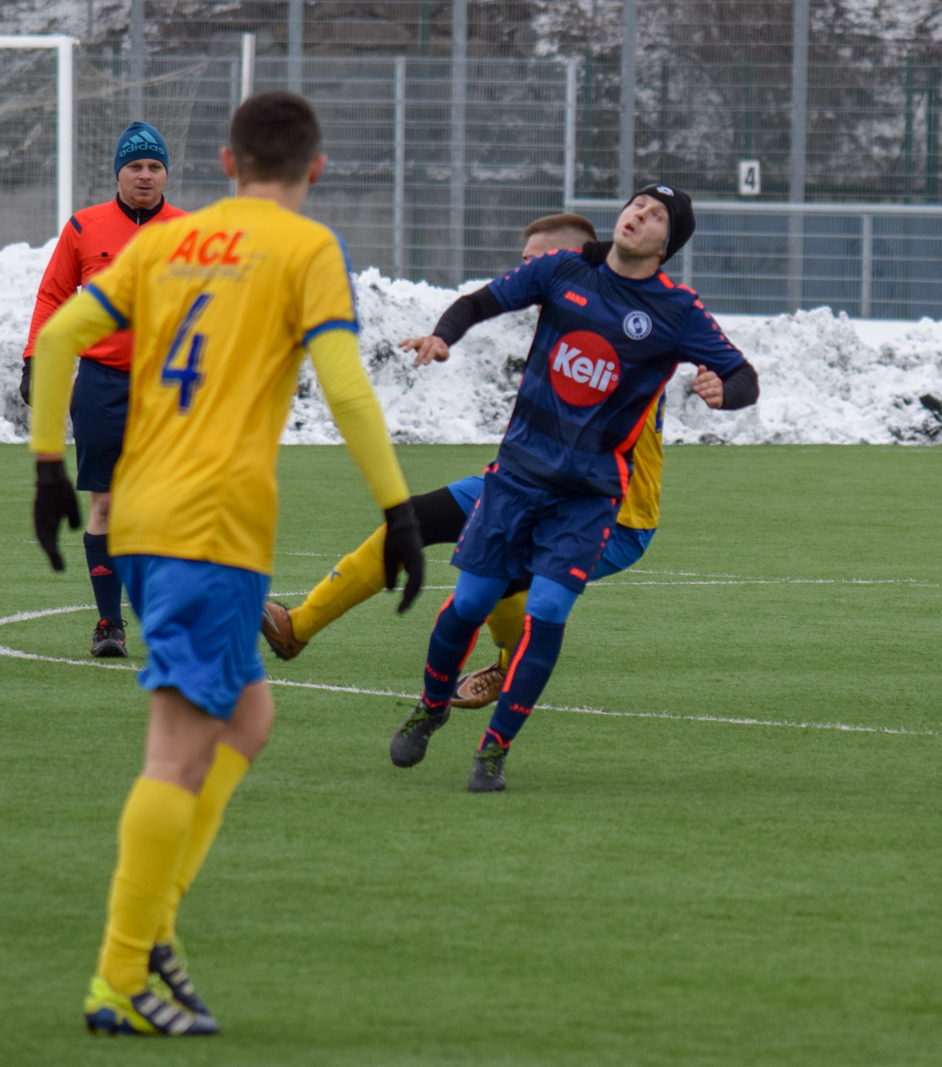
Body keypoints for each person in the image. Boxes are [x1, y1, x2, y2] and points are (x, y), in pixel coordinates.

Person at [29, 91, 423, 1036]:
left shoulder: (167, 241)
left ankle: (153, 932)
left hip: (146, 513)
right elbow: (345, 387)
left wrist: (48, 467)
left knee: (247, 717)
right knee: (176, 750)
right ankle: (120, 973)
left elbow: (60, 336)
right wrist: (397, 507)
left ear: (224, 163)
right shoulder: (306, 248)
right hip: (208, 526)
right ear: (315, 169)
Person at [260, 212, 726, 710]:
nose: (524, 274)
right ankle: (297, 627)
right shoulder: (567, 315)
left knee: (502, 570)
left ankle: (507, 665)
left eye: (534, 262)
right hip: (529, 487)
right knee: (415, 518)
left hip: (614, 515)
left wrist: (714, 375)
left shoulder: (626, 325)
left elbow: (688, 343)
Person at [388, 183, 758, 792]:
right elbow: (479, 302)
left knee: (547, 611)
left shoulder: (676, 310)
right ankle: (431, 708)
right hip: (515, 478)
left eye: (656, 215)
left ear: (666, 245)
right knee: (472, 603)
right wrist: (442, 335)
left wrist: (725, 392)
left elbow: (743, 375)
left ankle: (493, 750)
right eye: (638, 204)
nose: (639, 214)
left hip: (588, 497)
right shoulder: (562, 271)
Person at [21, 122, 187, 657]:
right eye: (135, 166)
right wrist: (35, 359)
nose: (145, 175)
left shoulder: (192, 233)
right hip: (102, 384)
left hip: (169, 386)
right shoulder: (84, 227)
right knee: (107, 505)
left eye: (155, 166)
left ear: (166, 174)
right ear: (118, 172)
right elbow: (52, 297)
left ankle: (171, 619)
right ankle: (109, 624)